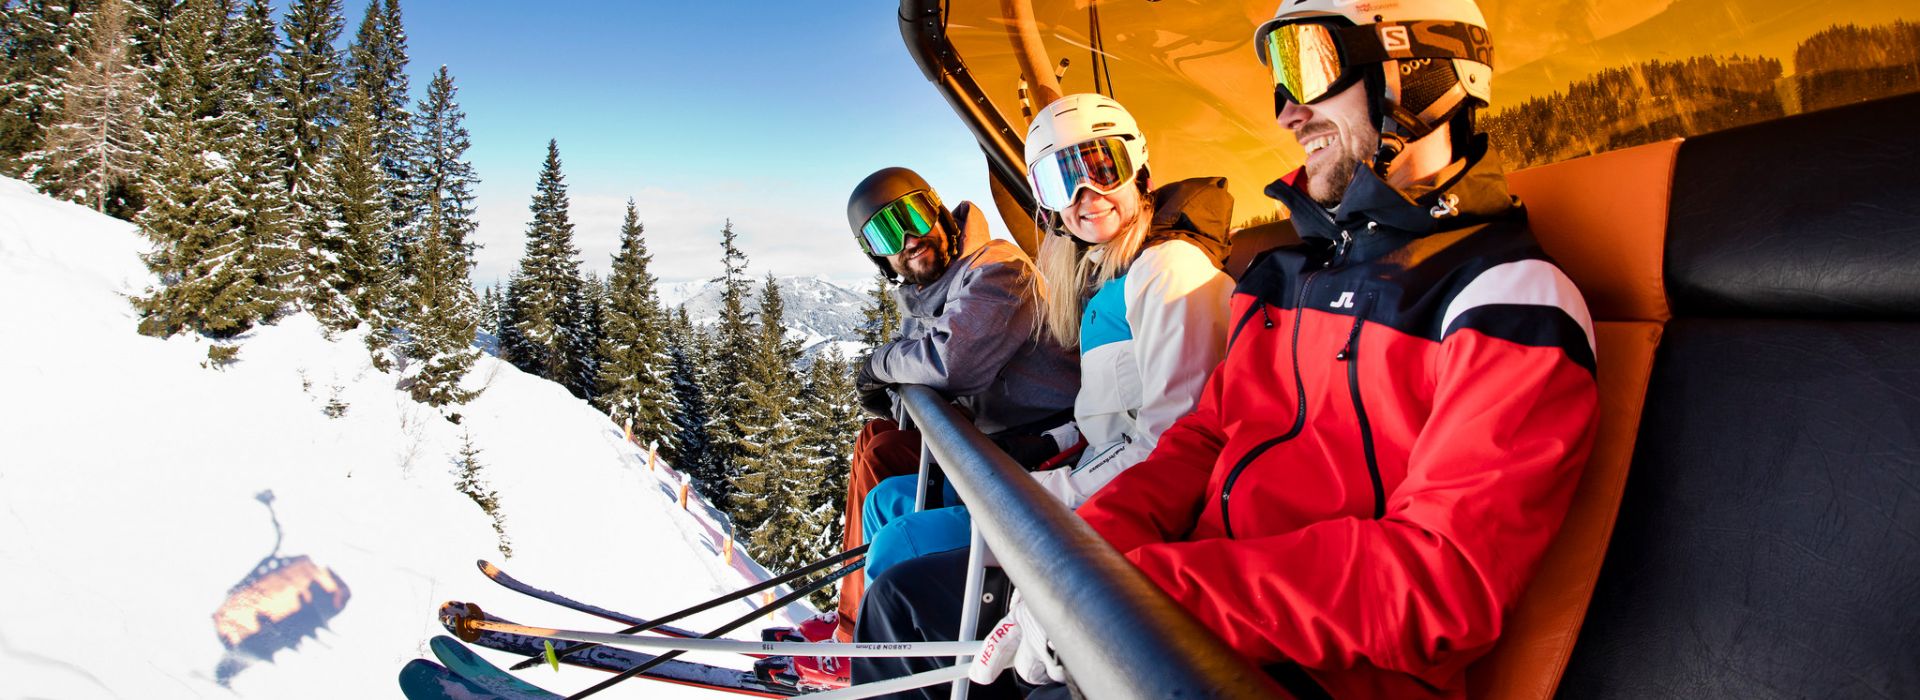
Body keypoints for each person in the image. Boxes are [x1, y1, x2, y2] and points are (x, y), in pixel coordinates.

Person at [901, 0, 1596, 698]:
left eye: (1309, 65)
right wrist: (1080, 561)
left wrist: (1146, 594)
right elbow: (1199, 439)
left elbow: (1440, 581)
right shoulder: (1295, 278)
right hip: (1174, 623)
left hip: (1295, 671)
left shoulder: (1505, 302)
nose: (1288, 113)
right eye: (1280, 82)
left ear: (1421, 69)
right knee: (910, 601)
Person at [851, 93, 1237, 600]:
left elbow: (1171, 448)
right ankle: (863, 635)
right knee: (888, 502)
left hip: (1106, 502)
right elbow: (1104, 413)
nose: (1085, 194)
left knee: (903, 537)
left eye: (1103, 167)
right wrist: (1046, 447)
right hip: (1081, 471)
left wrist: (1044, 488)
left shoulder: (1169, 274)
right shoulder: (1101, 279)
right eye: (1061, 181)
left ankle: (889, 651)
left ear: (1138, 167)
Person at [770, 168, 1077, 684]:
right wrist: (895, 379)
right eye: (887, 235)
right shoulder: (929, 285)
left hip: (1039, 444)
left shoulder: (998, 270)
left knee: (883, 455)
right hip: (990, 441)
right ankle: (855, 626)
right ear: (878, 255)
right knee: (878, 443)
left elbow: (950, 361)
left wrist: (877, 363)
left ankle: (863, 637)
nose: (908, 239)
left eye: (910, 216)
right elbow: (918, 379)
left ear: (935, 209)